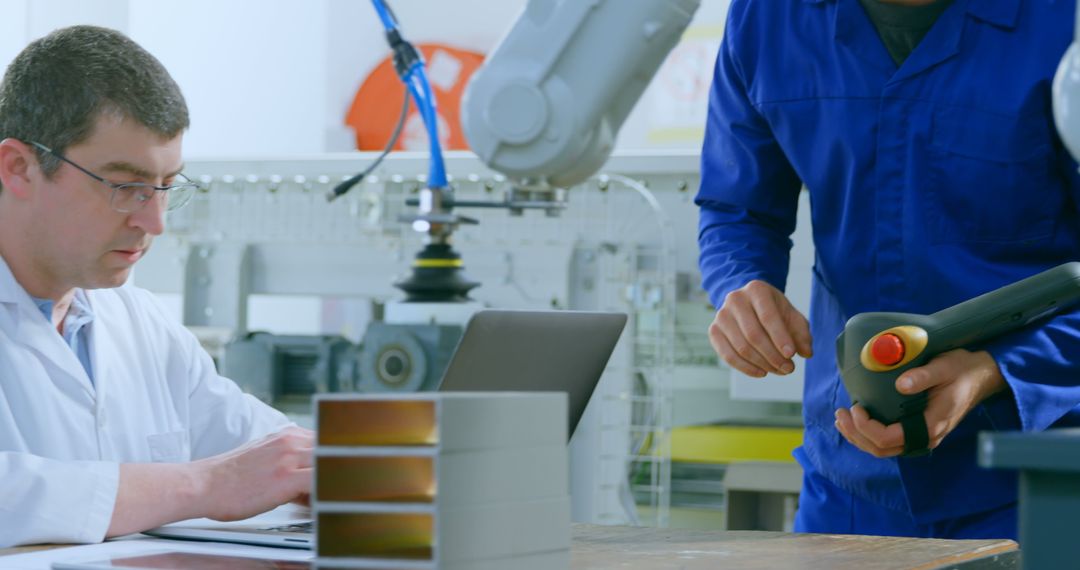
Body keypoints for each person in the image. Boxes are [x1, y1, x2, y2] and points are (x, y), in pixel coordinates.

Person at [697, 0, 1080, 539]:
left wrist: (994, 370)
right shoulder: (767, 17)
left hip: (1040, 476)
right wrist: (740, 283)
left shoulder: (1064, 24)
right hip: (850, 479)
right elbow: (736, 209)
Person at [0, 26, 313, 547]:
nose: (155, 221)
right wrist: (204, 484)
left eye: (167, 187)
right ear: (19, 168)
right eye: (127, 186)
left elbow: (263, 449)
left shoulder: (139, 323)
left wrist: (364, 468)